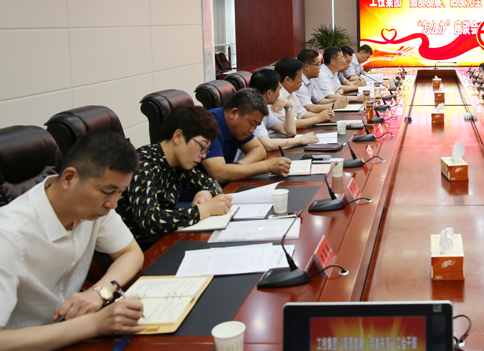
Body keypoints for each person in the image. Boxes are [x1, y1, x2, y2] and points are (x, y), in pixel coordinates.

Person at [0, 132, 146, 348]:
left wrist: (99, 292)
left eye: (120, 192)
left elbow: (131, 253)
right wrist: (94, 324)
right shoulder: (8, 236)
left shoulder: (92, 208)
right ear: (69, 178)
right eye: (108, 191)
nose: (113, 204)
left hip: (70, 333)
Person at [118, 106, 232, 250]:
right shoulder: (141, 164)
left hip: (164, 238)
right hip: (135, 248)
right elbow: (151, 221)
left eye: (206, 150)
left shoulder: (178, 164)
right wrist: (204, 210)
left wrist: (205, 192)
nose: (203, 155)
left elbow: (211, 182)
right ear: (178, 136)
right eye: (202, 147)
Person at [200, 88, 291, 185]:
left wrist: (239, 166)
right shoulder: (208, 125)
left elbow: (259, 149)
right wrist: (267, 166)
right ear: (234, 113)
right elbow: (219, 173)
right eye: (252, 123)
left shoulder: (237, 126)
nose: (252, 130)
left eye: (256, 125)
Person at [245, 68, 319, 152]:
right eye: (279, 89)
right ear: (269, 93)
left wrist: (288, 106)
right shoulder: (253, 111)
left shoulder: (263, 108)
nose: (280, 93)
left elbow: (290, 131)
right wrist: (300, 140)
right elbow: (268, 145)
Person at [272, 57, 336, 130]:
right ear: (287, 80)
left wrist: (323, 115)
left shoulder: (291, 93)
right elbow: (291, 124)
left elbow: (302, 114)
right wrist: (318, 118)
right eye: (299, 77)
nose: (302, 80)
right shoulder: (276, 97)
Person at [295, 49, 348, 113]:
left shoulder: (308, 80)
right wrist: (335, 105)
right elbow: (310, 108)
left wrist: (335, 100)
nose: (320, 67)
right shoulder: (299, 83)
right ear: (306, 67)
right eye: (317, 64)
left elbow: (319, 101)